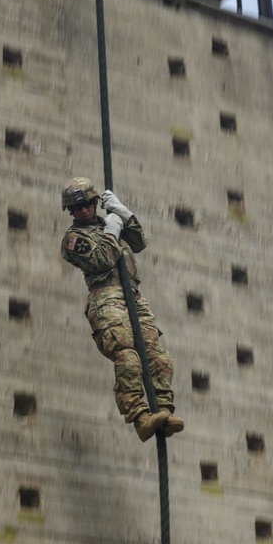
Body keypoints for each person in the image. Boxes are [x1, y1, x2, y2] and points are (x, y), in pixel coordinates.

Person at [60, 177, 185, 442]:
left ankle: (163, 410)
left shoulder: (109, 223)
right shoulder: (73, 239)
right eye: (77, 208)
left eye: (87, 204)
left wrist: (125, 215)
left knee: (158, 356)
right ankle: (141, 418)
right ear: (71, 211)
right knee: (128, 358)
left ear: (95, 203)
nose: (84, 210)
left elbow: (139, 242)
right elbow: (103, 258)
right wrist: (113, 230)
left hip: (133, 295)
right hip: (106, 297)